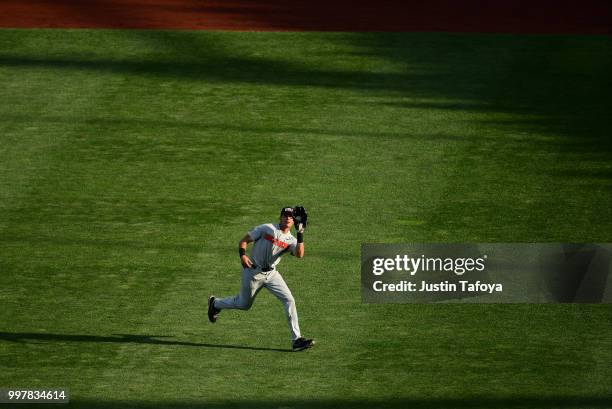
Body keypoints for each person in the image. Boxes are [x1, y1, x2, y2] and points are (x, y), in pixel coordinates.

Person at [208, 206, 314, 351]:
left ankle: (296, 340)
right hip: (253, 271)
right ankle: (216, 304)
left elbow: (299, 254)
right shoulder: (267, 229)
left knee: (289, 299)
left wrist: (300, 233)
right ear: (280, 217)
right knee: (243, 304)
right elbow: (243, 241)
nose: (288, 218)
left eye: (291, 216)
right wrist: (243, 255)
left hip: (272, 274)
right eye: (285, 215)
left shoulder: (291, 240)